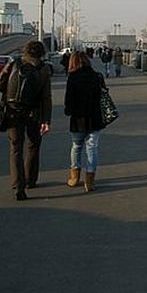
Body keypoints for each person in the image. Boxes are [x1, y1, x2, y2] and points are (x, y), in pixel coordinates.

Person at [0, 39, 53, 201]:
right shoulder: (43, 69)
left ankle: (18, 186)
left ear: (26, 51)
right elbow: (46, 97)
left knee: (16, 148)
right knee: (33, 145)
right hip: (33, 113)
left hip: (13, 112)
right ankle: (30, 180)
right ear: (42, 53)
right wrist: (46, 120)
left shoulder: (14, 63)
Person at [64, 50, 106, 192]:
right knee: (92, 148)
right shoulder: (97, 77)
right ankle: (90, 180)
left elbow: (68, 99)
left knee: (76, 146)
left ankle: (74, 177)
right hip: (95, 117)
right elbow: (103, 95)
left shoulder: (73, 77)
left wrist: (68, 110)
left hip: (78, 118)